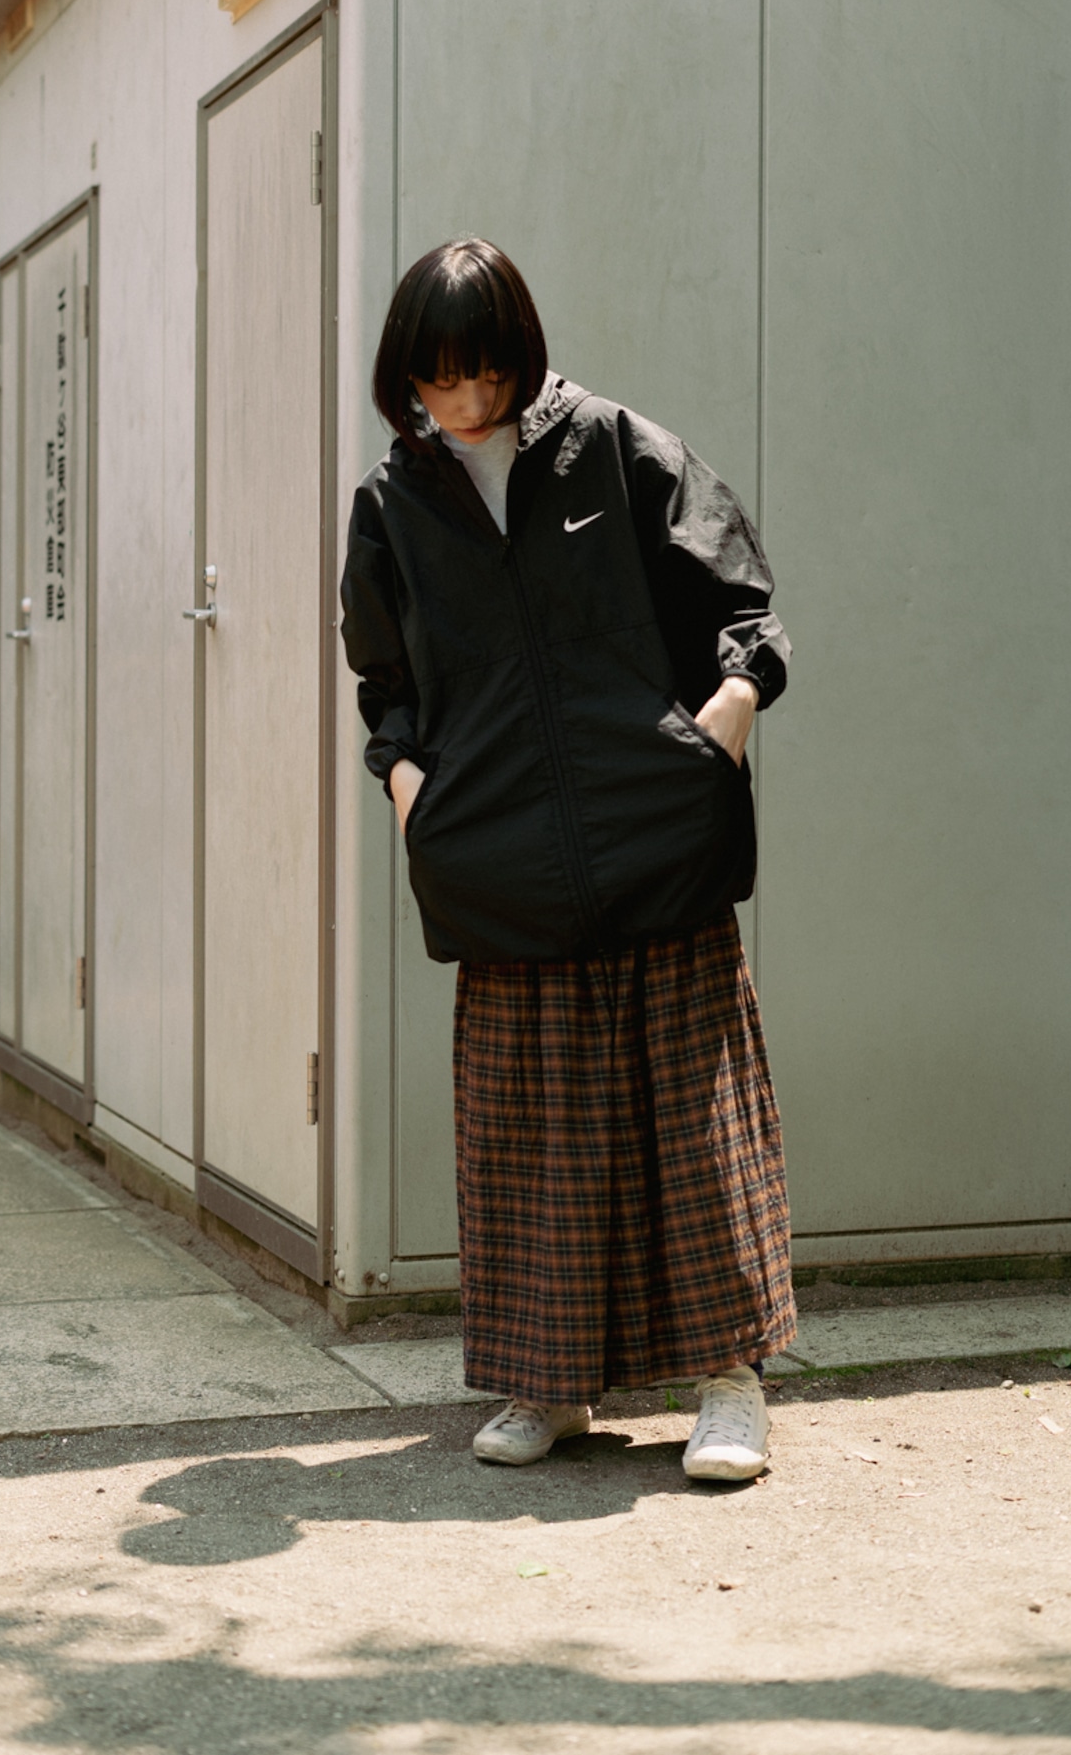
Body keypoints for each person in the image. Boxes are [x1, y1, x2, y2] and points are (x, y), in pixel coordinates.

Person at [340, 237, 795, 1479]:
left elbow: (740, 603)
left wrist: (723, 720)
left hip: (654, 835)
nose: (464, 400)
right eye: (438, 378)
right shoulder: (392, 504)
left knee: (692, 1120)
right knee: (531, 1129)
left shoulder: (615, 448)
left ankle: (730, 1384)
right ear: (404, 375)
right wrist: (408, 789)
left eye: (484, 372)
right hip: (498, 860)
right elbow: (384, 681)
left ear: (518, 356)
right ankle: (548, 1383)